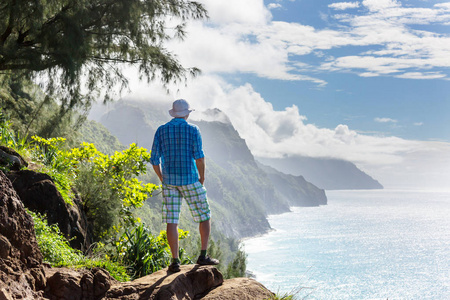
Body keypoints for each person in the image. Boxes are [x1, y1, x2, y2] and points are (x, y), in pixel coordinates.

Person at [150, 99, 219, 273]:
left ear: (173, 113)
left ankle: (175, 261)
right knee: (204, 215)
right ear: (187, 114)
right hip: (190, 179)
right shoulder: (193, 129)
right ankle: (203, 255)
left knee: (171, 221)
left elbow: (154, 159)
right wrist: (202, 177)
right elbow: (199, 157)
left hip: (169, 181)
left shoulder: (161, 130)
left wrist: (162, 177)